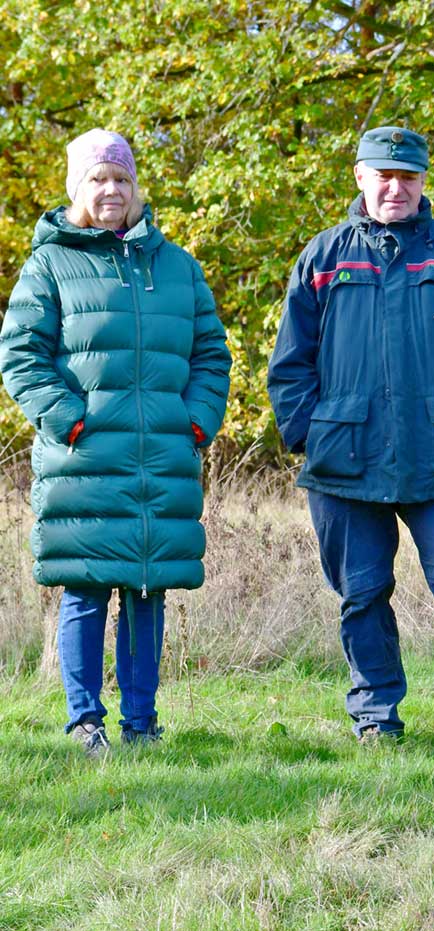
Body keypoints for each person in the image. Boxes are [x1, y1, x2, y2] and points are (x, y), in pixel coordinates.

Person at [267, 126, 434, 746]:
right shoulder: (325, 255)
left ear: (423, 181)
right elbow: (291, 362)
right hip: (345, 461)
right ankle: (375, 719)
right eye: (383, 175)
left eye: (407, 176)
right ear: (360, 177)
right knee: (362, 597)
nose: (395, 187)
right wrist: (310, 433)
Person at [0, 129, 232, 756]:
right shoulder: (50, 262)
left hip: (161, 452)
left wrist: (195, 422)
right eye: (98, 179)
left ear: (136, 189)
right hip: (85, 455)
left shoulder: (177, 266)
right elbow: (20, 354)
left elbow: (212, 354)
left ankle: (142, 723)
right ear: (77, 188)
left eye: (122, 179)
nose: (111, 191)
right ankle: (85, 721)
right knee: (86, 587)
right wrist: (67, 419)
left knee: (147, 588)